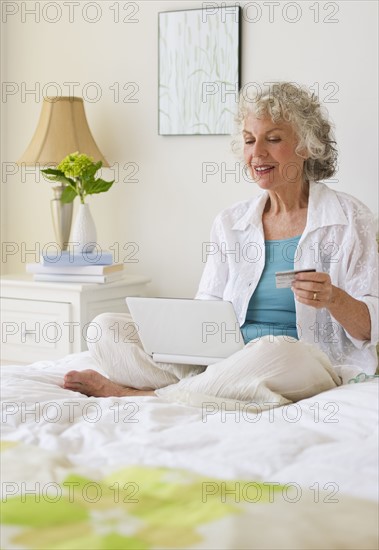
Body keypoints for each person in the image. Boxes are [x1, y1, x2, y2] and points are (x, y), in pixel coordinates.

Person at [64, 82, 378, 399]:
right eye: (249, 141)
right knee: (105, 327)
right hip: (223, 360)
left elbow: (370, 330)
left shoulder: (351, 219)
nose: (257, 153)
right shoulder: (231, 222)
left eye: (273, 139)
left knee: (278, 351)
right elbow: (207, 308)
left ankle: (145, 396)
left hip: (298, 361)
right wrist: (179, 340)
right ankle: (209, 388)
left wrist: (333, 298)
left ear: (307, 146)